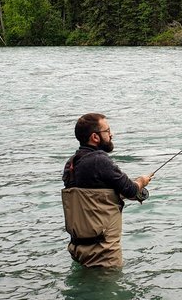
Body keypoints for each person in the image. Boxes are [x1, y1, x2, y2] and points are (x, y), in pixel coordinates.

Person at [61, 113, 152, 268]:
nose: (111, 134)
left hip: (78, 249)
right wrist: (141, 181)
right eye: (107, 131)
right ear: (95, 137)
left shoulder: (71, 164)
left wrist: (120, 194)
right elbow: (130, 189)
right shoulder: (99, 160)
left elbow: (93, 197)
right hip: (103, 252)